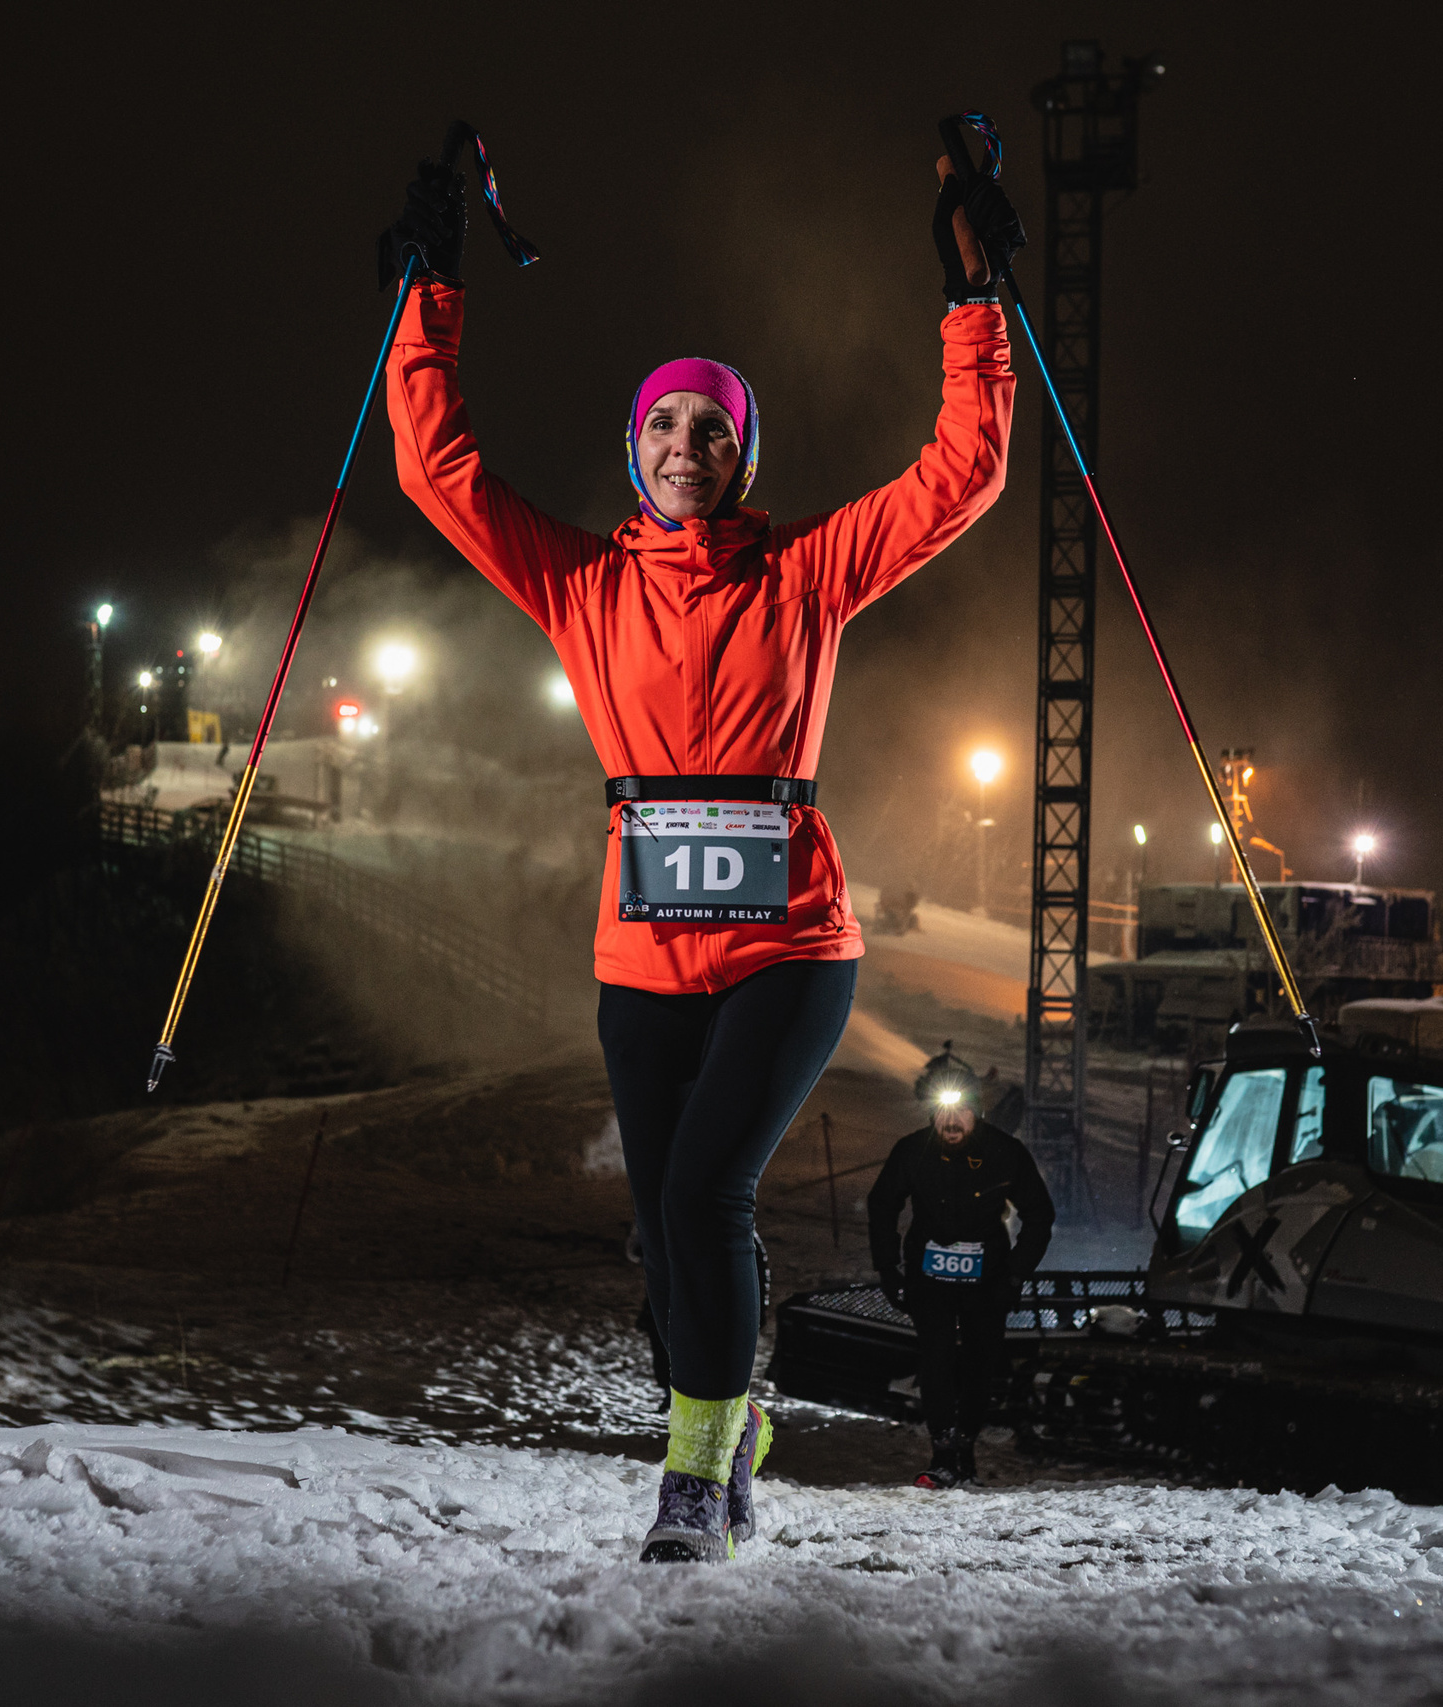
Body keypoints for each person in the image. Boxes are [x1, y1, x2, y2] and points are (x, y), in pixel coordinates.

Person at [378, 140, 1022, 1561]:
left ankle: (692, 1476)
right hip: (644, 951)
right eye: (665, 429)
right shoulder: (584, 585)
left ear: (743, 458)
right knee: (666, 1239)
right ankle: (732, 1417)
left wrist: (973, 300)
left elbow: (962, 474)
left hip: (791, 947)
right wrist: (432, 290)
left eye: (712, 433)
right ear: (636, 451)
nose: (687, 449)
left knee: (701, 1190)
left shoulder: (808, 574)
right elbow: (438, 470)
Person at [868, 1043, 1054, 1489]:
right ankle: (942, 1452)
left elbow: (1040, 1215)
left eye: (961, 1114)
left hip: (987, 1278)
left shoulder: (1005, 1153)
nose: (951, 1124)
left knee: (979, 1363)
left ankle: (964, 1449)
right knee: (934, 1360)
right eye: (943, 1114)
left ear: (976, 1113)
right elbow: (882, 1206)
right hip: (928, 1275)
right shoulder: (912, 1151)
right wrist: (889, 1270)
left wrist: (1014, 1276)